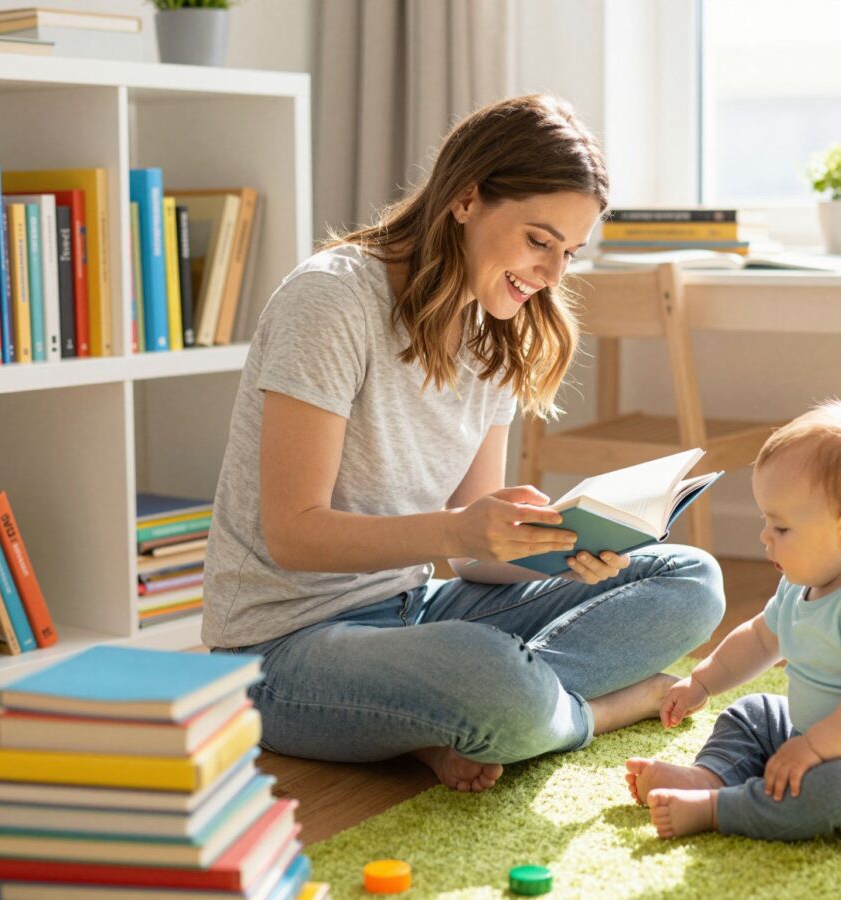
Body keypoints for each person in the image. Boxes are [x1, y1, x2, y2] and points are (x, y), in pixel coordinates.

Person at [201, 94, 725, 793]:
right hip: (281, 646)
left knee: (691, 581)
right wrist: (461, 532)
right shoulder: (331, 300)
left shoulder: (496, 330)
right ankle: (582, 712)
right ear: (466, 198)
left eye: (569, 253)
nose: (552, 276)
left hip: (412, 612)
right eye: (540, 242)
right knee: (483, 673)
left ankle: (463, 717)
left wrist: (559, 555)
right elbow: (294, 535)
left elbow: (474, 555)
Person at [625, 400, 841, 840]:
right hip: (817, 733)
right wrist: (702, 682)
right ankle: (709, 777)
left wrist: (815, 748)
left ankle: (717, 808)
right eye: (767, 521)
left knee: (827, 791)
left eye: (781, 528)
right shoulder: (805, 578)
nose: (765, 537)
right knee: (753, 713)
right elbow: (763, 639)